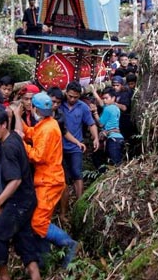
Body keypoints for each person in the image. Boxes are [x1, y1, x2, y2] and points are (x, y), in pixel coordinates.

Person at [13, 93, 78, 268]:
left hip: (49, 181)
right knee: (39, 220)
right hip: (46, 179)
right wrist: (19, 119)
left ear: (35, 109)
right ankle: (45, 259)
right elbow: (31, 133)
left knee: (38, 222)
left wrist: (22, 144)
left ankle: (69, 245)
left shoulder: (49, 128)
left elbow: (37, 156)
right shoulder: (46, 123)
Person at [0, 107, 41, 280]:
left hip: (19, 202)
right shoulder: (14, 137)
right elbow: (18, 130)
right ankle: (35, 274)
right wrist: (16, 114)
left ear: (4, 125)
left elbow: (15, 180)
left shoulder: (8, 147)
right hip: (28, 199)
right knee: (24, 243)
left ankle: (4, 276)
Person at [59, 82, 99, 212]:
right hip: (59, 146)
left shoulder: (83, 107)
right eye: (70, 96)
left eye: (75, 97)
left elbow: (91, 123)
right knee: (62, 177)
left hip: (76, 146)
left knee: (77, 173)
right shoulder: (59, 104)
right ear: (66, 93)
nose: (72, 99)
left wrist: (96, 138)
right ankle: (61, 207)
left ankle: (79, 203)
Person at [48, 86, 86, 220]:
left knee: (64, 182)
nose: (55, 105)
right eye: (52, 102)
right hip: (44, 155)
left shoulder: (59, 116)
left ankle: (63, 213)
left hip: (58, 152)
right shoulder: (38, 114)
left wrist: (77, 142)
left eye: (57, 103)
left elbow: (64, 132)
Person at [89, 87, 124, 169]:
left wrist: (95, 112)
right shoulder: (116, 108)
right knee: (116, 162)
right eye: (103, 98)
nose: (104, 100)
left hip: (112, 139)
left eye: (106, 98)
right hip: (118, 137)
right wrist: (94, 92)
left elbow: (101, 124)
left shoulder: (108, 109)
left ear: (113, 98)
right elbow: (101, 103)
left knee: (115, 164)